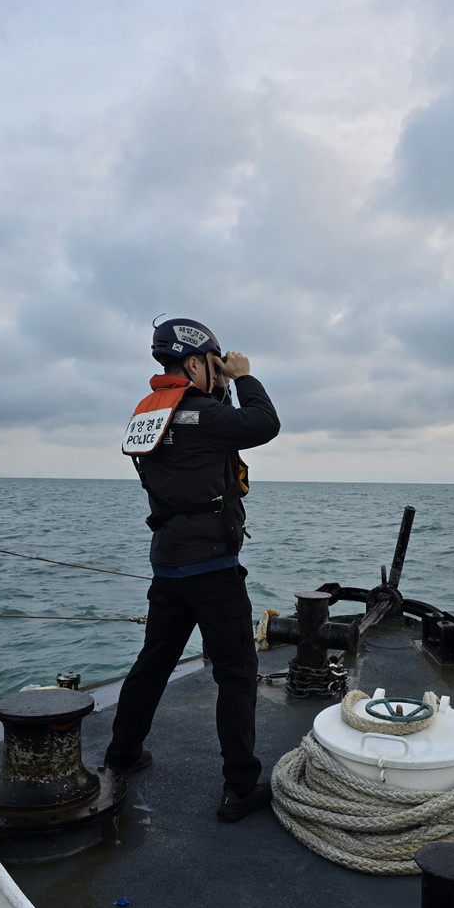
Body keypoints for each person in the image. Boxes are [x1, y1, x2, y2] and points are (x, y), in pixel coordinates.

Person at [107, 317, 281, 822]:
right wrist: (245, 376)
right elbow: (262, 425)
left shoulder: (148, 414)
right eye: (213, 363)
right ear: (193, 362)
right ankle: (240, 788)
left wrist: (219, 386)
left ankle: (122, 755)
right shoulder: (204, 417)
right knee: (236, 674)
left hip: (168, 563)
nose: (220, 371)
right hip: (213, 567)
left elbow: (208, 432)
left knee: (153, 663)